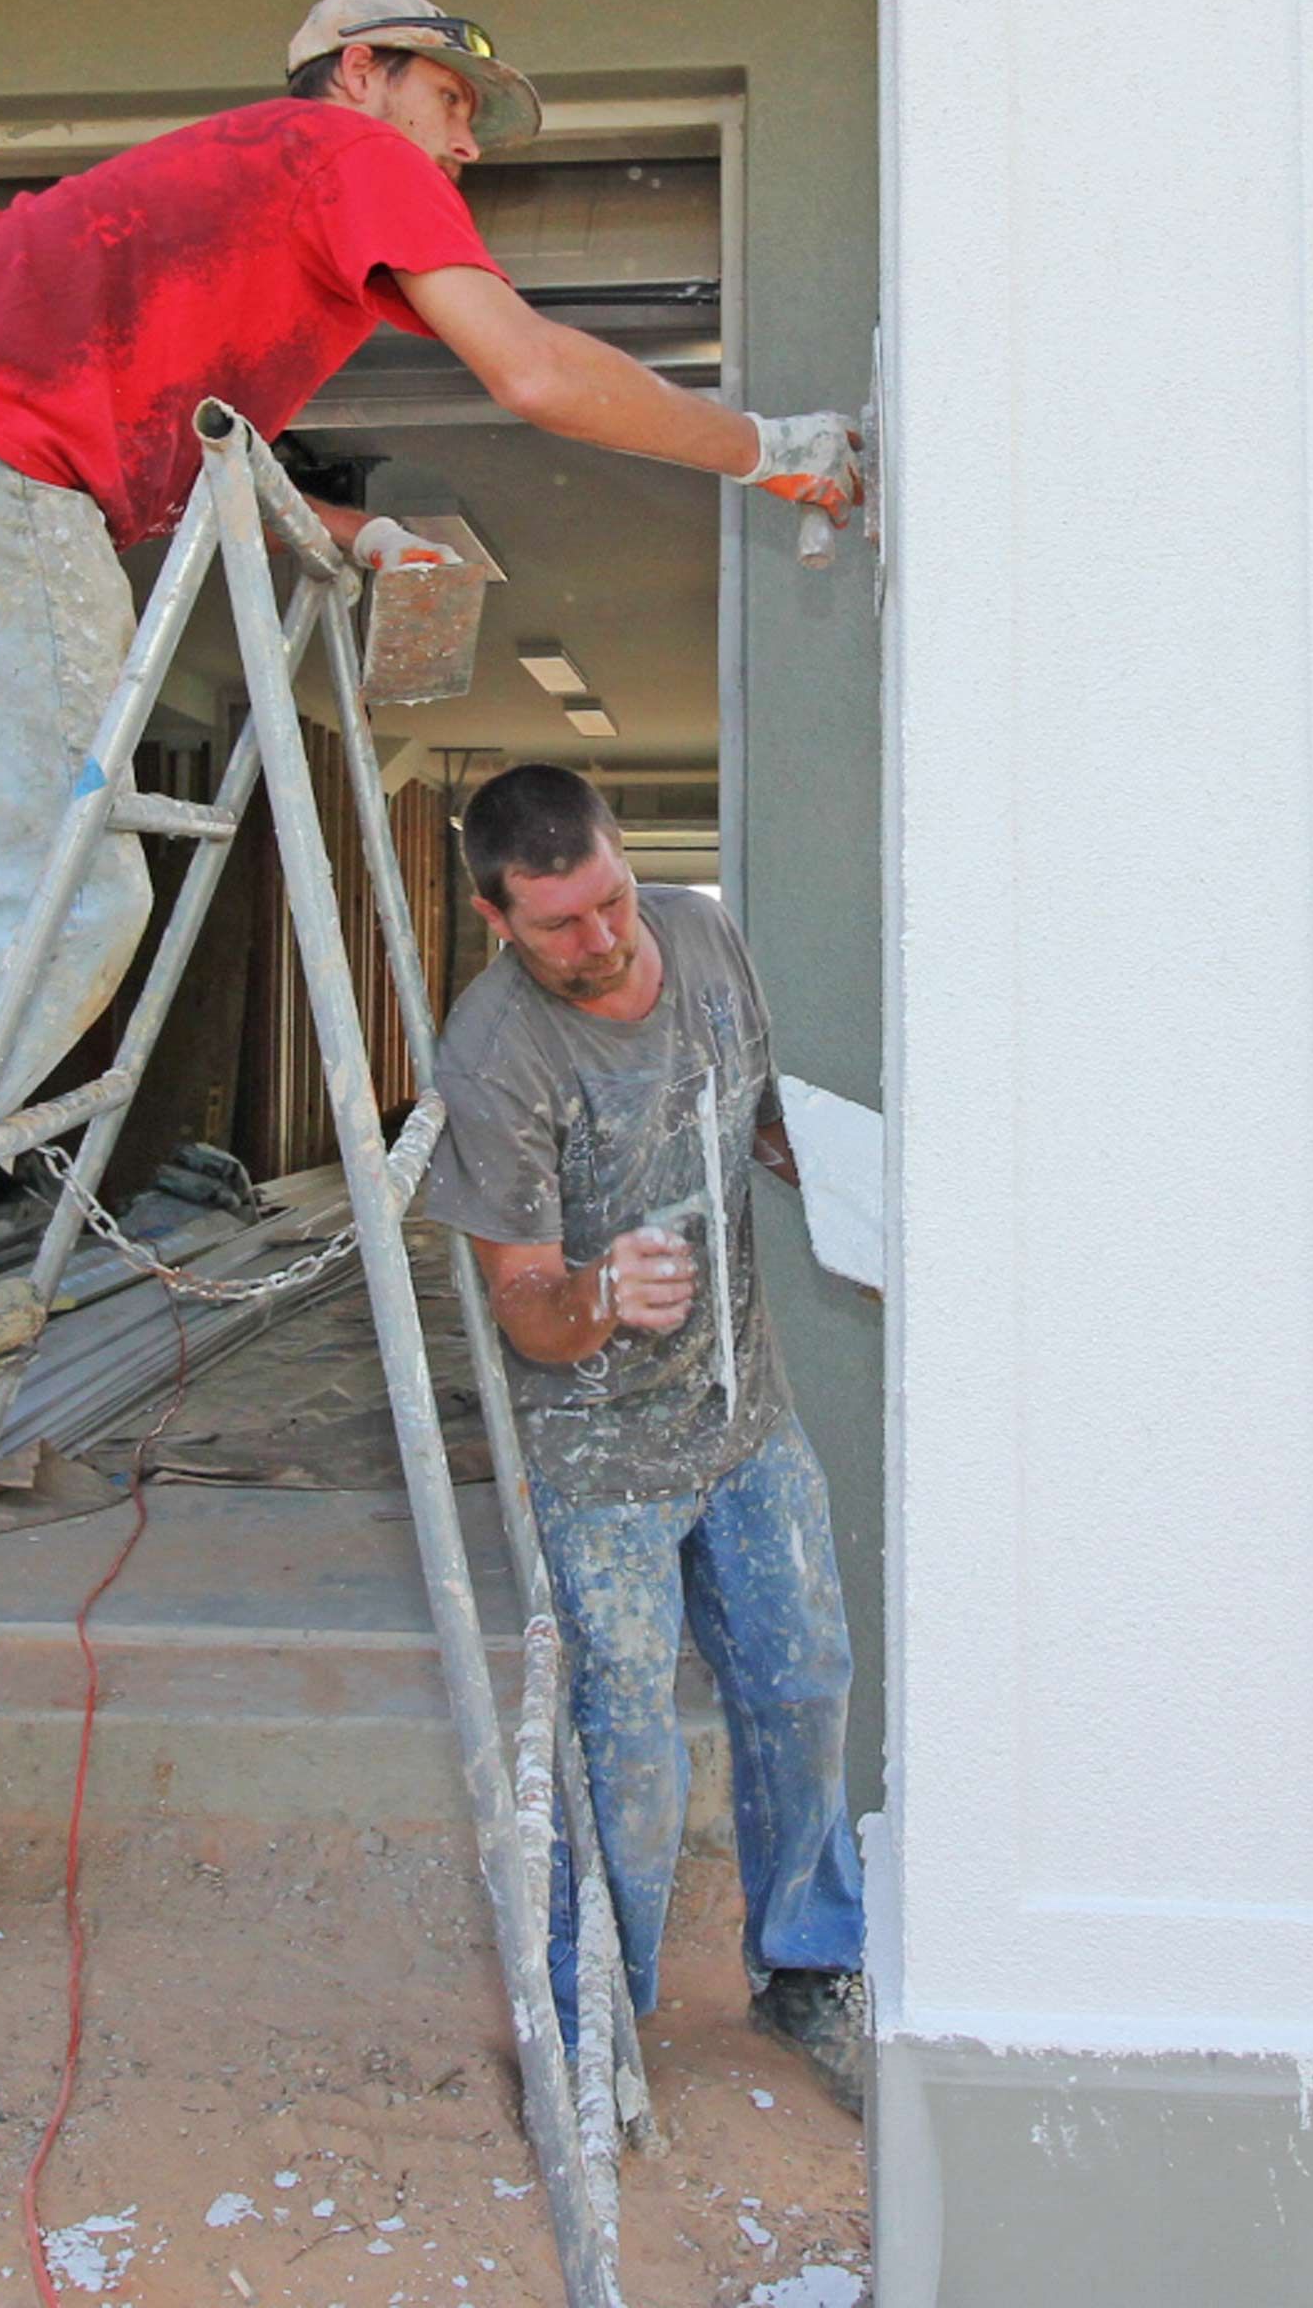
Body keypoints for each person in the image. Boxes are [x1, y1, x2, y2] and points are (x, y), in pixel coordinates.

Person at [0, 0, 862, 1485]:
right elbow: (530, 372)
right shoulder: (341, 154)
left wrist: (359, 529)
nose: (466, 148)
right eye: (453, 104)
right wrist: (774, 455)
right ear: (361, 72)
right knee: (61, 905)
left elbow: (192, 469)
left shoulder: (232, 224)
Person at [415, 763, 871, 2117]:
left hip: (747, 1419)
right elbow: (522, 1306)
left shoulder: (704, 928)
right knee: (627, 1756)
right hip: (599, 1457)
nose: (602, 939)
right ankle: (595, 2020)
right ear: (499, 920)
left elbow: (757, 1102)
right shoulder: (496, 1057)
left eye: (609, 900)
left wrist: (841, 1170)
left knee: (802, 1685)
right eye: (558, 924)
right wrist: (602, 1296)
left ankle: (807, 1971)